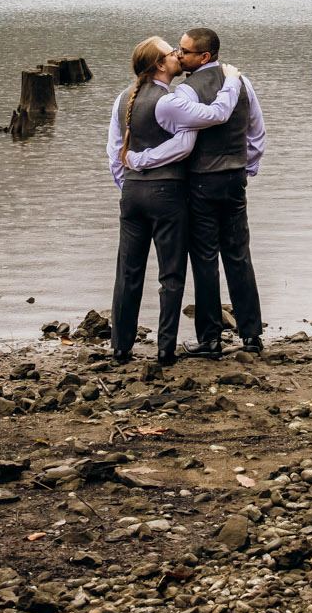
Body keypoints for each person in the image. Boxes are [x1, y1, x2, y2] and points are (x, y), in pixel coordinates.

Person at [104, 38, 246, 364]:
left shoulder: (122, 99)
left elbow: (114, 152)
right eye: (171, 53)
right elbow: (200, 131)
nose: (178, 56)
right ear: (158, 65)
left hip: (131, 195)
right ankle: (165, 349)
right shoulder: (169, 102)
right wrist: (233, 80)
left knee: (127, 272)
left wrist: (128, 179)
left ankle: (120, 347)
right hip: (166, 194)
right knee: (171, 275)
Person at [172, 26, 267, 357]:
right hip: (234, 178)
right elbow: (257, 131)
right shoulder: (242, 81)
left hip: (201, 180)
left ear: (204, 56)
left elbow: (182, 144)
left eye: (183, 51)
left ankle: (210, 338)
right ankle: (252, 335)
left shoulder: (186, 91)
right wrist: (246, 167)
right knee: (239, 255)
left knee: (204, 258)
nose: (178, 55)